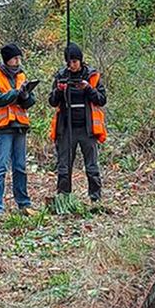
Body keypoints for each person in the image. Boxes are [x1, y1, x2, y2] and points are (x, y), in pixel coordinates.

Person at [49, 43, 106, 204]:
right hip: (66, 129)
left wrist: (88, 88)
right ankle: (64, 198)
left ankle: (95, 198)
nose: (72, 65)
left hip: (87, 129)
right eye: (69, 62)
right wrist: (59, 90)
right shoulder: (61, 76)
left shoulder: (92, 76)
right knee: (64, 166)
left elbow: (102, 100)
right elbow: (52, 102)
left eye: (74, 61)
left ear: (80, 61)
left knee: (92, 166)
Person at [0, 42, 36, 218]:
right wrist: (16, 93)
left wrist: (25, 95)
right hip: (2, 127)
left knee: (20, 167)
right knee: (0, 168)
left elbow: (30, 102)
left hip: (20, 126)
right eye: (15, 58)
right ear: (7, 60)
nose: (18, 60)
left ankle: (24, 203)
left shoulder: (21, 75)